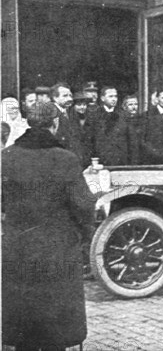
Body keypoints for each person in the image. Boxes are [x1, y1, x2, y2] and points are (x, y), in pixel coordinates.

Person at [2, 101, 96, 351]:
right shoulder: (66, 159)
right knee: (57, 325)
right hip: (58, 249)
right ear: (54, 124)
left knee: (25, 321)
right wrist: (85, 236)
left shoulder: (7, 157)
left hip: (18, 248)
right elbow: (84, 206)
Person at [86, 86, 130, 166]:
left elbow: (131, 140)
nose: (114, 99)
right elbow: (90, 140)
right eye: (110, 96)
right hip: (101, 160)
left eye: (115, 96)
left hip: (121, 161)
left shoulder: (124, 115)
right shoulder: (94, 116)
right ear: (102, 98)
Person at [51, 82, 76, 153]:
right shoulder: (51, 113)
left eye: (70, 96)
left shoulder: (71, 113)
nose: (69, 99)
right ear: (55, 98)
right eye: (65, 96)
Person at [69, 92, 92, 166]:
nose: (82, 107)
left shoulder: (90, 119)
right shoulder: (69, 120)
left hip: (88, 155)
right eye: (79, 105)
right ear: (73, 106)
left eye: (84, 105)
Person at [121, 94, 146, 165]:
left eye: (136, 104)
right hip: (126, 156)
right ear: (124, 107)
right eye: (130, 104)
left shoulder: (142, 120)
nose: (134, 107)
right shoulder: (121, 121)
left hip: (140, 156)